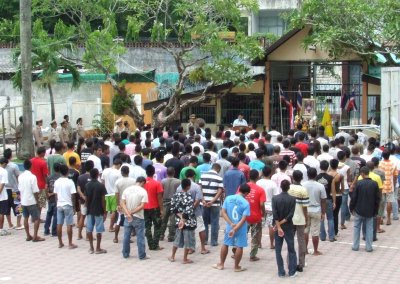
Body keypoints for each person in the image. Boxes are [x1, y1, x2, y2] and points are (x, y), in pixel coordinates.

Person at [212, 183, 250, 272]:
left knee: (226, 243)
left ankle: (221, 264)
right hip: (241, 227)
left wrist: (231, 224)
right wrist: (236, 228)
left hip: (229, 226)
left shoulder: (228, 198)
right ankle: (236, 267)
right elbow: (243, 219)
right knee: (240, 246)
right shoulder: (246, 203)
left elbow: (223, 213)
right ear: (246, 193)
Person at [350, 166, 380, 252]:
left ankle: (355, 246)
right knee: (369, 228)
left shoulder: (359, 183)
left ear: (362, 173)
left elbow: (354, 197)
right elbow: (377, 199)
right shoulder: (374, 184)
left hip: (359, 210)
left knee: (356, 227)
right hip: (370, 211)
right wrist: (376, 210)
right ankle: (369, 247)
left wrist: (351, 207)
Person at [168, 178, 197, 264]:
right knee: (187, 240)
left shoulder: (175, 195)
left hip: (178, 221)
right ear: (188, 186)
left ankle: (172, 256)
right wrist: (183, 220)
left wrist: (180, 218)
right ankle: (185, 258)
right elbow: (189, 211)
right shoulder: (189, 196)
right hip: (188, 222)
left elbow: (173, 208)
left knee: (177, 238)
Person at [272, 180, 297, 278]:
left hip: (278, 227)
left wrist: (278, 226)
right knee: (291, 249)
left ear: (280, 187)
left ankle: (281, 272)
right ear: (289, 187)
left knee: (278, 250)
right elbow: (290, 215)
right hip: (288, 227)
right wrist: (281, 224)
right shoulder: (292, 199)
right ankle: (292, 271)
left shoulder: (275, 199)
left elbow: (275, 214)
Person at [120, 176, 149, 260]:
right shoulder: (143, 191)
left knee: (126, 236)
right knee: (140, 237)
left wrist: (127, 213)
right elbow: (142, 206)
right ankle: (142, 255)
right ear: (143, 182)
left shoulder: (127, 190)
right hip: (138, 217)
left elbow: (122, 203)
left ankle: (125, 254)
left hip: (127, 217)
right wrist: (132, 212)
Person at [18, 159, 45, 242]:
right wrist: (37, 201)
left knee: (25, 218)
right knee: (36, 218)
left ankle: (28, 235)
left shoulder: (20, 176)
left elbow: (19, 189)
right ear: (31, 166)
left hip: (23, 200)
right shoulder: (32, 177)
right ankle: (35, 236)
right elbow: (35, 191)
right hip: (31, 201)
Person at [288, 170, 309, 273]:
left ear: (293, 178)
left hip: (289, 219)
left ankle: (290, 261)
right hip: (300, 219)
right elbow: (305, 207)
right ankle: (301, 264)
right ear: (301, 178)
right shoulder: (303, 190)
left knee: (290, 241)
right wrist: (306, 219)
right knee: (301, 241)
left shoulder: (288, 188)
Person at [302, 168, 326, 255]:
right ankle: (315, 250)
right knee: (315, 231)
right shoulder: (320, 186)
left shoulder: (303, 185)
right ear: (316, 175)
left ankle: (305, 250)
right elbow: (323, 200)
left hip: (305, 209)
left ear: (307, 175)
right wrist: (323, 213)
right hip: (316, 210)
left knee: (305, 230)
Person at [54, 164, 77, 249]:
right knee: (69, 224)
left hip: (59, 204)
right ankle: (70, 243)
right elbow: (73, 196)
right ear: (67, 171)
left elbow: (55, 195)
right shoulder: (70, 182)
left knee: (59, 224)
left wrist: (57, 203)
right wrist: (74, 206)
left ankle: (60, 243)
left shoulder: (57, 182)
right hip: (68, 204)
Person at [200, 163, 224, 246]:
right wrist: (213, 201)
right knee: (214, 222)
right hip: (215, 204)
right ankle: (214, 241)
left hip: (204, 203)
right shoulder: (219, 178)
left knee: (205, 222)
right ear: (218, 170)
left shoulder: (202, 176)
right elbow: (220, 191)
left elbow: (200, 188)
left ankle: (205, 240)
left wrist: (203, 200)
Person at [85, 168, 108, 254]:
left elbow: (86, 199)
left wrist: (87, 208)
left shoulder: (87, 185)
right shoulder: (101, 185)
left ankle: (91, 248)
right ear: (98, 175)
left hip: (90, 210)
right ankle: (98, 248)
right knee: (99, 230)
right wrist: (105, 211)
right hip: (98, 210)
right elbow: (103, 200)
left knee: (89, 229)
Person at [245, 170, 266, 261]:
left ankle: (236, 252)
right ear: (258, 177)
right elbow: (261, 204)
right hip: (256, 216)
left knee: (242, 234)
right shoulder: (260, 189)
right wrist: (263, 213)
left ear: (249, 176)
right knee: (255, 236)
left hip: (244, 216)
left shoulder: (243, 187)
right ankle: (252, 255)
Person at [257, 166, 279, 249]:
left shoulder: (258, 182)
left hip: (260, 206)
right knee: (271, 225)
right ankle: (271, 244)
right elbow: (275, 197)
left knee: (259, 226)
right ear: (270, 173)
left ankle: (259, 243)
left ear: (262, 172)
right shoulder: (273, 184)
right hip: (270, 207)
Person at [114, 165, 137, 243]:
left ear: (121, 172)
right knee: (130, 220)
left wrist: (117, 204)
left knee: (118, 221)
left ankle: (116, 238)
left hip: (121, 203)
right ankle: (128, 238)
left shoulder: (118, 182)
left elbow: (117, 194)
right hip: (131, 204)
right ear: (128, 172)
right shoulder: (133, 181)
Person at [143, 165, 164, 250]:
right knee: (157, 226)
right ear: (154, 172)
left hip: (144, 207)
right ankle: (155, 245)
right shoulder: (157, 183)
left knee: (147, 226)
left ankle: (150, 244)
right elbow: (160, 198)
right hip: (155, 208)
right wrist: (162, 209)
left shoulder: (142, 183)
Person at [160, 167, 181, 242]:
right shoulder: (178, 181)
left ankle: (161, 235)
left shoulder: (163, 181)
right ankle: (171, 236)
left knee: (163, 219)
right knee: (172, 220)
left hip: (165, 201)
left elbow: (161, 193)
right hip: (174, 202)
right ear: (174, 172)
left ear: (167, 173)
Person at [3, 149, 22, 230]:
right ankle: (18, 224)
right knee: (18, 206)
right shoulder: (14, 166)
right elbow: (18, 177)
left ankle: (10, 224)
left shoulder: (2, 166)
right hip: (14, 189)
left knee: (7, 207)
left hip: (5, 190)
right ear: (11, 156)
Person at [101, 159, 122, 232]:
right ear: (119, 165)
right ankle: (110, 227)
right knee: (113, 211)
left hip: (106, 193)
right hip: (114, 193)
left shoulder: (105, 170)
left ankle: (100, 225)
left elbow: (102, 182)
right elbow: (119, 184)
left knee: (105, 211)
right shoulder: (118, 173)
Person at [378, 149, 398, 226]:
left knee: (381, 202)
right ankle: (389, 219)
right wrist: (394, 183)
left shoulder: (380, 164)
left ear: (382, 156)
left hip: (382, 185)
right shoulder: (393, 164)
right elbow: (395, 175)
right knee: (389, 202)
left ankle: (381, 218)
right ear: (389, 155)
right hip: (390, 185)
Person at [76, 160, 94, 240]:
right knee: (90, 218)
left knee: (82, 217)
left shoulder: (80, 177)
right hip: (91, 201)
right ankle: (88, 235)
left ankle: (79, 234)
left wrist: (82, 196)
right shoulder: (93, 177)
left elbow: (78, 189)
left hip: (83, 200)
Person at [31, 146, 49, 220]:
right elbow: (45, 175)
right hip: (41, 185)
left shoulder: (31, 160)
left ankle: (33, 217)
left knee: (34, 202)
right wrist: (47, 184)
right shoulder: (43, 162)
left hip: (32, 185)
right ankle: (37, 218)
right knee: (40, 203)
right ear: (42, 153)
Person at [44, 163, 61, 237]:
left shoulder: (49, 177)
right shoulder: (60, 178)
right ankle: (54, 231)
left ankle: (46, 230)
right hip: (57, 198)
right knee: (56, 215)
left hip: (50, 198)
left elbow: (46, 187)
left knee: (49, 214)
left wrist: (47, 195)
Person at [0, 158, 10, 236]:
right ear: (4, 164)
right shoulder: (4, 171)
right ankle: (1, 229)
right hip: (2, 196)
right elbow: (2, 184)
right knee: (2, 213)